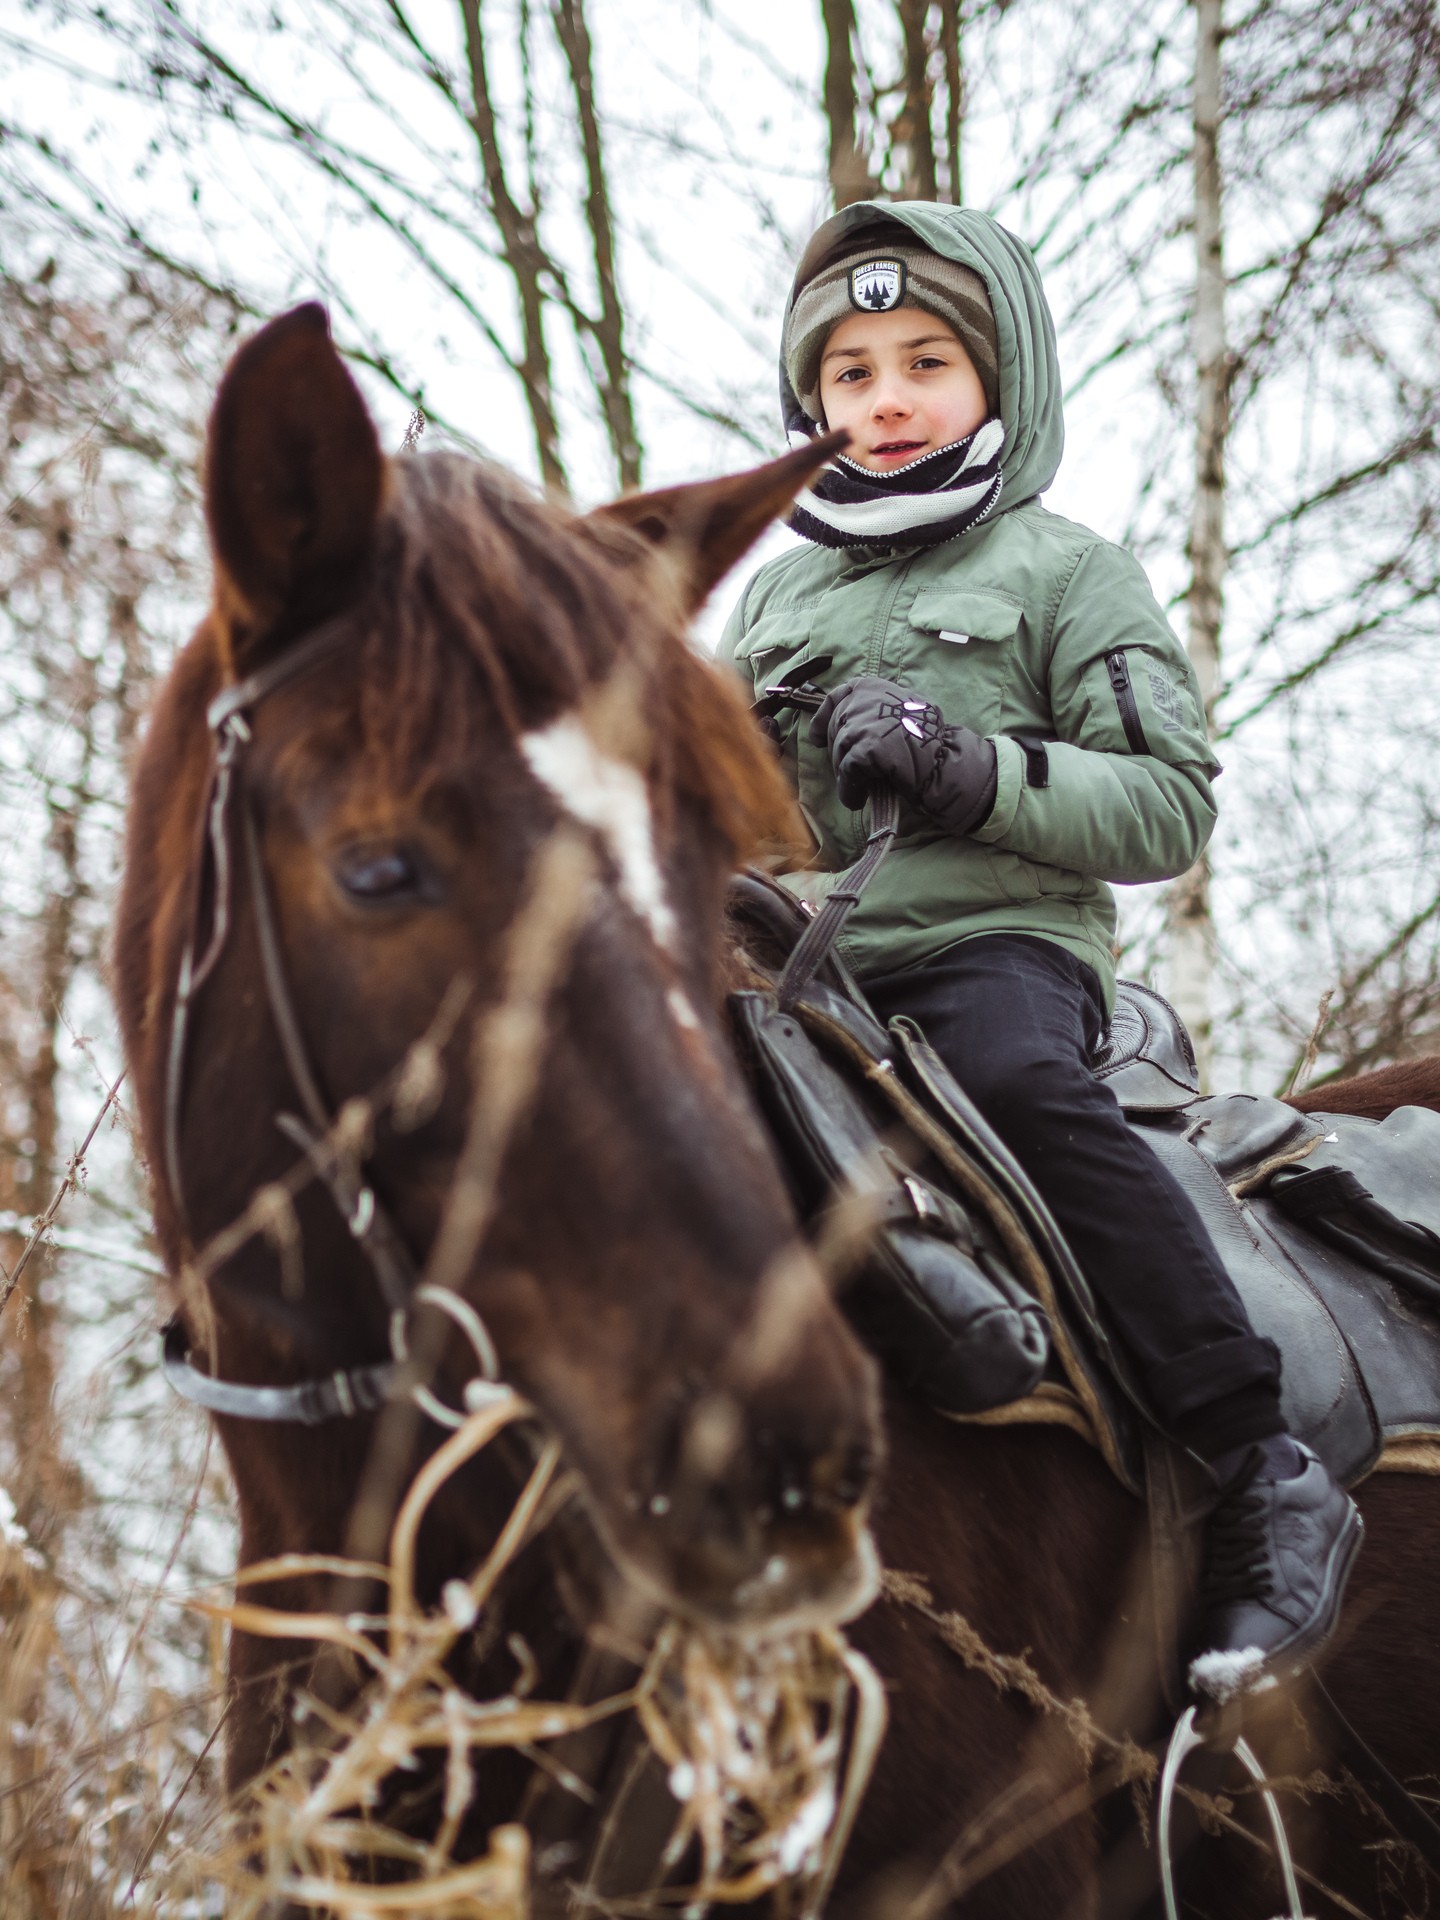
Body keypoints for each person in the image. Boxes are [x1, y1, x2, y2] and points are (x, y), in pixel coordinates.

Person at [717, 202, 1361, 1703]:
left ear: (1000, 375)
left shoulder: (1071, 570)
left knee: (1017, 1080)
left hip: (996, 955)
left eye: (924, 362)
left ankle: (1262, 1465)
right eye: (851, 372)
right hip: (812, 975)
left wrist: (975, 771)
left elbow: (1168, 806)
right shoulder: (775, 598)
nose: (883, 400)